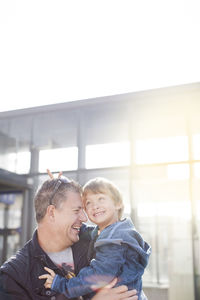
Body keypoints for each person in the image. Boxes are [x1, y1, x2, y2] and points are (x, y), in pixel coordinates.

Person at [0, 175, 138, 300]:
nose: (84, 218)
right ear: (52, 212)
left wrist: (60, 186)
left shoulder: (99, 239)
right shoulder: (13, 276)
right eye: (77, 210)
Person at [39, 177, 151, 300]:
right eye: (88, 203)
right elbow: (85, 230)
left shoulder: (114, 239)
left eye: (101, 199)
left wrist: (60, 284)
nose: (95, 206)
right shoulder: (110, 231)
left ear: (118, 203)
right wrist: (61, 188)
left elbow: (97, 277)